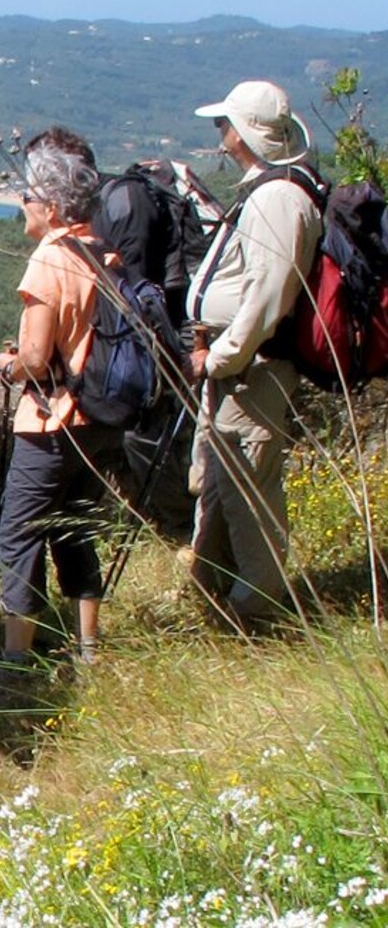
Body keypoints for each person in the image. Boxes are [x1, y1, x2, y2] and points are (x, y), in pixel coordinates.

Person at [0, 127, 121, 711]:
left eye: (26, 198)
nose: (21, 207)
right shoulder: (100, 249)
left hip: (51, 421)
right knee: (75, 533)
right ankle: (88, 648)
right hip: (96, 419)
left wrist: (6, 364)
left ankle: (16, 663)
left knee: (19, 533)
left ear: (49, 206)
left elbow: (32, 357)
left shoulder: (49, 258)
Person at [183, 81, 324, 629]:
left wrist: (220, 359)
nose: (219, 135)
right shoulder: (272, 189)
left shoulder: (279, 198)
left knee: (249, 495)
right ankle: (214, 596)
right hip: (236, 367)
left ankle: (257, 613)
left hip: (250, 369)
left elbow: (268, 294)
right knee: (219, 484)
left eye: (224, 125)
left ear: (243, 133)